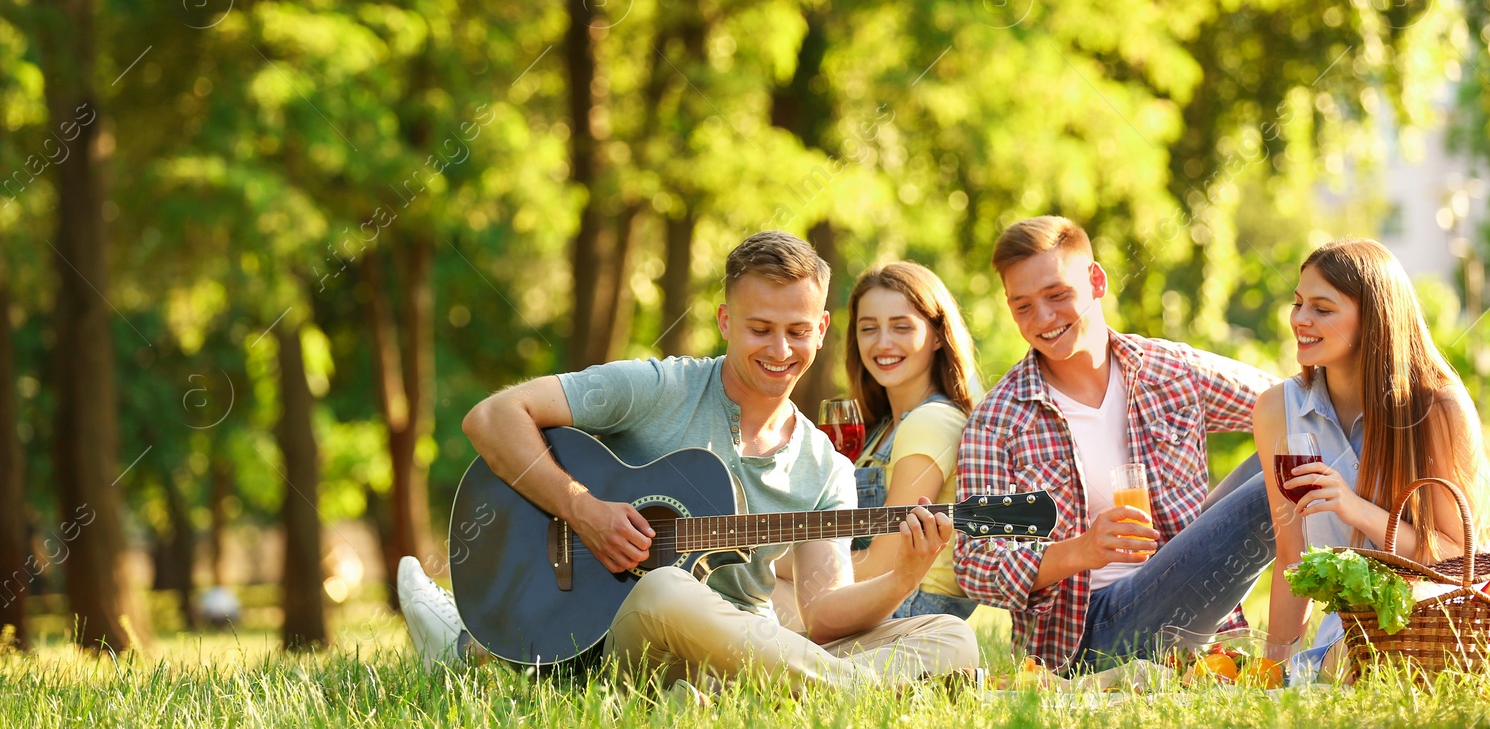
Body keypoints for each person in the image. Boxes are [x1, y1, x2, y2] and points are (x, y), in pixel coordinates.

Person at [396, 231, 979, 695]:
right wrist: (583, 508)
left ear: (822, 329)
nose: (780, 351)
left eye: (798, 331)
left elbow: (824, 615)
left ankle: (751, 689)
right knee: (669, 589)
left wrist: (906, 572)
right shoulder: (658, 386)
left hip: (748, 645)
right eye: (760, 329)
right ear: (726, 322)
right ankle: (843, 689)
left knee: (951, 638)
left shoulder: (823, 465)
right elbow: (493, 417)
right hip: (628, 635)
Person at [1255, 238, 1490, 678]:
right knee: (1346, 657)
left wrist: (1357, 510)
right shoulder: (1276, 411)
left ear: (1375, 319)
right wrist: (1272, 673)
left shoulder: (1437, 406)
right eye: (1298, 302)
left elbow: (1458, 559)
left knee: (1419, 617)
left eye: (1322, 308)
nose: (1300, 319)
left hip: (1477, 610)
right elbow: (1291, 558)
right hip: (1367, 626)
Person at [954, 216, 1276, 671]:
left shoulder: (1170, 370)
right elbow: (974, 565)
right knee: (1278, 481)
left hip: (1182, 595)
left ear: (1096, 280)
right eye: (1022, 306)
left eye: (1057, 295)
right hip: (1087, 636)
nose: (1043, 319)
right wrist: (1082, 550)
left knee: (1291, 455)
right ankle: (1285, 657)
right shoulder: (1000, 421)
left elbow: (1286, 402)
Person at [774, 262, 986, 624]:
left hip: (906, 611)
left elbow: (879, 565)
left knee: (742, 588)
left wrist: (763, 557)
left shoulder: (930, 421)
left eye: (901, 327)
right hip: (870, 598)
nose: (883, 343)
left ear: (937, 335)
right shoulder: (881, 428)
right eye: (868, 328)